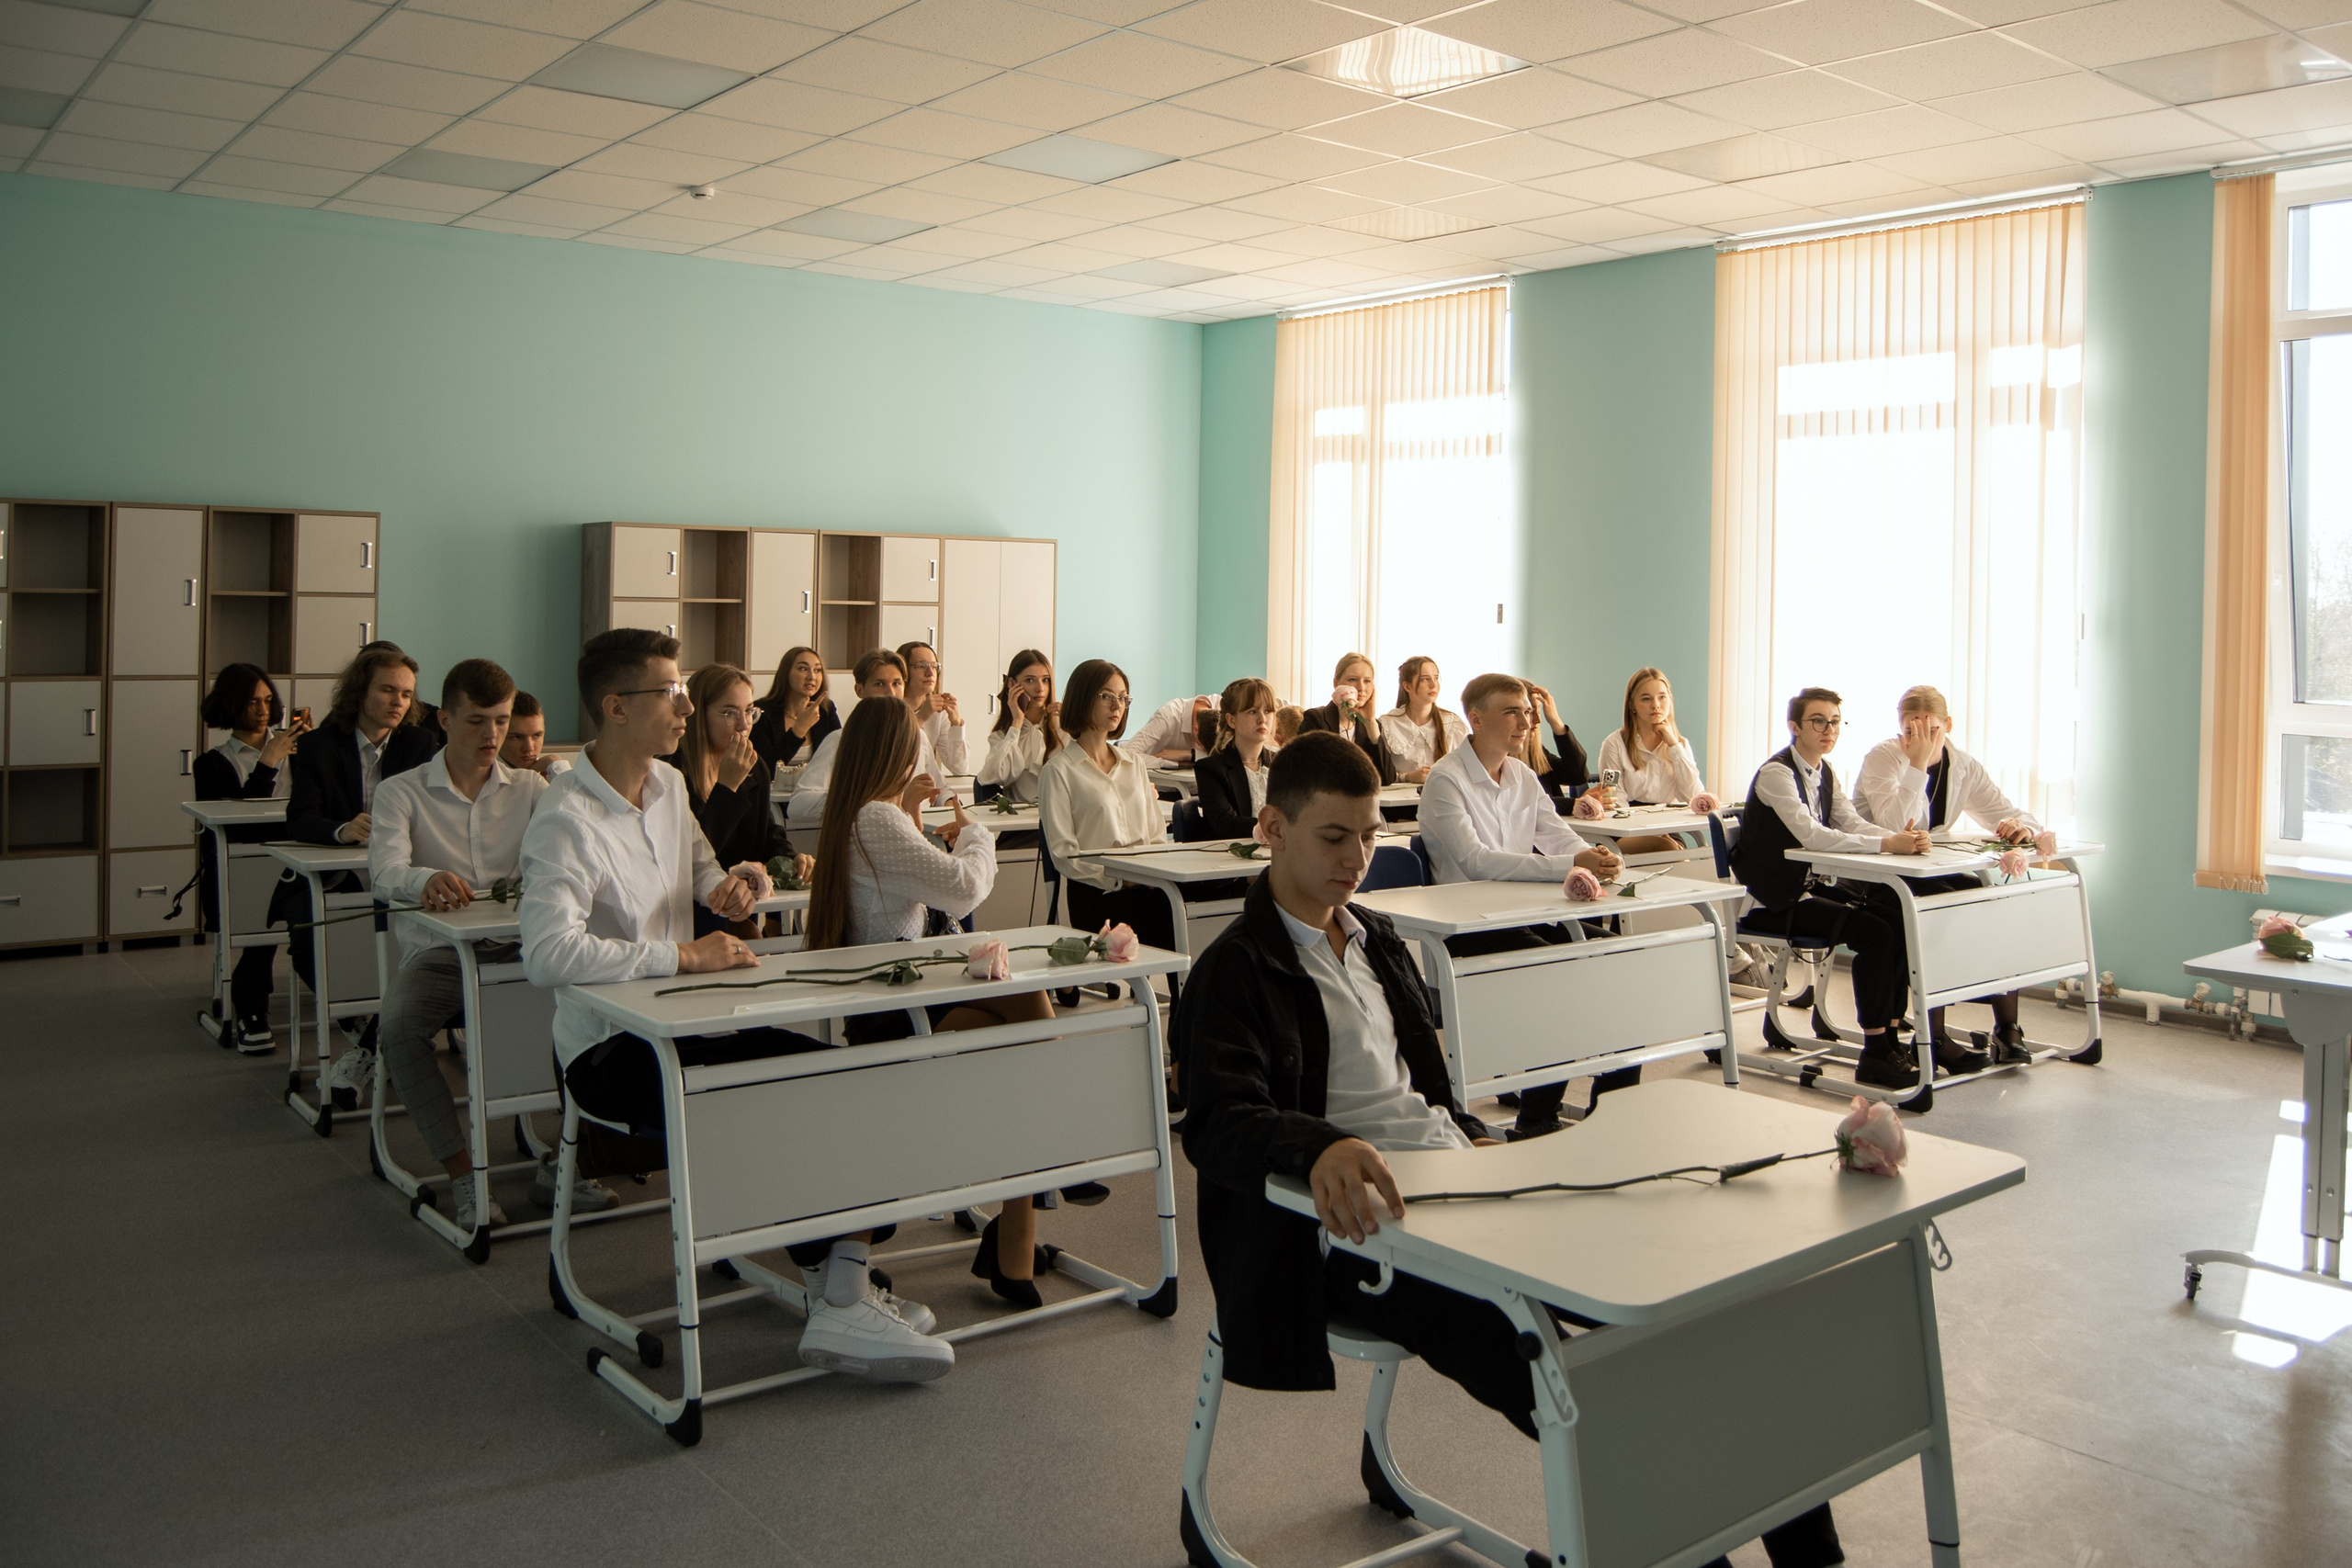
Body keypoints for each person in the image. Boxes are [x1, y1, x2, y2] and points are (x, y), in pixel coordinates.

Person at [1172, 731, 1851, 1568]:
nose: (1356, 858)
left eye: (1369, 837)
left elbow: (1433, 1098)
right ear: (1272, 828)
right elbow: (1218, 1122)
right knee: (1577, 1382)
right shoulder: (1235, 969)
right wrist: (1315, 1146)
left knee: (1693, 1314)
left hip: (1465, 1186)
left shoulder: (1377, 937)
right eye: (1333, 838)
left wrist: (1480, 1150)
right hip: (1352, 1234)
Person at [520, 627, 952, 1382]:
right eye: (671, 692)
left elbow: (704, 871)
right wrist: (680, 954)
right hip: (612, 1052)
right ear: (616, 707)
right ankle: (840, 1291)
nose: (686, 706)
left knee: (845, 1078)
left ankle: (836, 1284)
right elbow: (546, 953)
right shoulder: (566, 818)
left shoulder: (664, 789)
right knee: (800, 1094)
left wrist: (740, 880)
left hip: (687, 1020)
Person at [805, 695, 1072, 1308]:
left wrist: (915, 812)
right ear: (897, 751)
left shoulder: (869, 814)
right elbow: (962, 889)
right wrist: (977, 833)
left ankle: (1019, 1234)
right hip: (897, 1017)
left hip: (905, 1001)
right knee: (1029, 1037)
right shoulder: (875, 819)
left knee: (1024, 1038)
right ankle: (1040, 1191)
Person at [368, 658, 610, 1230]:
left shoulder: (531, 789)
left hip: (525, 948)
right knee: (399, 1028)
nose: (493, 736)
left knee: (604, 1013)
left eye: (501, 721)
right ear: (444, 720)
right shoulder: (401, 792)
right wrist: (422, 879)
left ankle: (565, 1158)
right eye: (477, 721)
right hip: (443, 954)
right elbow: (382, 872)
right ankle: (462, 1172)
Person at [1419, 674, 1627, 1139]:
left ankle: (1612, 1113)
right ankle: (1536, 1119)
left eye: (1527, 712)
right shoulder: (1445, 779)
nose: (1526, 720)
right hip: (1466, 928)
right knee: (1557, 975)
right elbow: (1476, 862)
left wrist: (1599, 858)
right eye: (1512, 711)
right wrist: (1569, 864)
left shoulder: (1522, 775)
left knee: (1620, 961)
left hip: (1524, 915)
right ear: (1475, 718)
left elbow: (1559, 837)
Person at [1731, 687, 1936, 1089]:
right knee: (1876, 934)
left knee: (1898, 920)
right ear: (1795, 727)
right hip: (1776, 901)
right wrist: (1885, 845)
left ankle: (1891, 1037)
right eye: (1818, 721)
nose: (1829, 730)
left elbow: (1850, 822)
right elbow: (1813, 836)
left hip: (1811, 889)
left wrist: (1900, 839)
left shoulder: (1825, 772)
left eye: (1835, 722)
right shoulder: (1777, 774)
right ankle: (1875, 1051)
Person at [1851, 684, 2051, 1068]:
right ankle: (1934, 1038)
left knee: (1986, 898)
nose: (1921, 739)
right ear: (1900, 729)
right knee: (1941, 910)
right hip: (1877, 873)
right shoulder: (1883, 758)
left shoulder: (1963, 765)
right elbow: (1895, 824)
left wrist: (2020, 826)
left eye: (1931, 731)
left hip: (1925, 870)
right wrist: (1917, 765)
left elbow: (2005, 811)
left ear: (1949, 726)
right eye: (1911, 731)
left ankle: (2008, 1029)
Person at [276, 643, 438, 1105]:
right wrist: (342, 829)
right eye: (388, 690)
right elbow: (299, 817)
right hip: (337, 875)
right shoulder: (318, 745)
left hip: (399, 874)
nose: (398, 702)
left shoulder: (419, 742)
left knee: (415, 953)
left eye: (406, 694)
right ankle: (367, 1024)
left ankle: (369, 1045)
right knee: (310, 943)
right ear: (359, 691)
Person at [195, 663, 311, 1052]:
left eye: (266, 700)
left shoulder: (294, 749)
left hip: (295, 856)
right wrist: (267, 762)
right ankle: (251, 1007)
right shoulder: (212, 763)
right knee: (264, 913)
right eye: (251, 701)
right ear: (231, 705)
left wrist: (310, 753)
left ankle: (347, 999)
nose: (263, 710)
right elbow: (241, 823)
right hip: (246, 864)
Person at [1038, 659, 1181, 953]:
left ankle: (1184, 996)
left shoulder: (1134, 764)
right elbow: (1065, 854)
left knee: (1190, 903)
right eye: (1107, 696)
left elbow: (1155, 836)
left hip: (1146, 884)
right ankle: (1182, 996)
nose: (1117, 706)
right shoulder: (1059, 771)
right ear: (1082, 697)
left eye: (1123, 698)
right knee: (1170, 912)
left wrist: (1153, 874)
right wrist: (1121, 879)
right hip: (1096, 894)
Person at [660, 661, 810, 937]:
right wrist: (727, 787)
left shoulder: (755, 768)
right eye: (729, 713)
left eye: (750, 712)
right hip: (681, 911)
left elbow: (766, 836)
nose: (743, 725)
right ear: (697, 715)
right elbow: (689, 858)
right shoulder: (670, 771)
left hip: (737, 904)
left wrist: (791, 858)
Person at [786, 649, 939, 849]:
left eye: (897, 684)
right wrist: (873, 799)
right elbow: (798, 806)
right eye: (879, 684)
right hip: (865, 845)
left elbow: (940, 791)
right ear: (860, 690)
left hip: (919, 837)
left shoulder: (918, 737)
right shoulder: (840, 741)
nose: (891, 693)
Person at [1595, 668, 1717, 853]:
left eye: (1662, 697)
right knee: (1668, 849)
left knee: (1673, 848)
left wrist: (1674, 746)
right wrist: (1649, 830)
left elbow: (1694, 795)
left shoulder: (1679, 744)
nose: (1656, 705)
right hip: (1622, 831)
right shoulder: (1614, 744)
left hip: (1665, 827)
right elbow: (1614, 802)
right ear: (1632, 705)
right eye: (1646, 699)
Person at [1193, 678, 1279, 840]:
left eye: (1268, 711)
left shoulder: (1284, 765)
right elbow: (1226, 824)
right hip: (1232, 857)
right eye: (1252, 711)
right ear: (1232, 720)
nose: (1262, 719)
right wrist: (1277, 828)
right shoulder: (1210, 768)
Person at [977, 648, 1062, 804]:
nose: (1040, 688)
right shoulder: (1003, 736)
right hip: (1023, 824)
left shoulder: (1062, 728)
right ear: (1012, 684)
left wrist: (1076, 729)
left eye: (1045, 680)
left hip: (1063, 820)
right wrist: (1016, 723)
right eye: (1030, 680)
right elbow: (993, 777)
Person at [1296, 652, 1396, 784]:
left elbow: (1387, 778)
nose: (1361, 688)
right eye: (1353, 680)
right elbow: (1311, 775)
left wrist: (1370, 723)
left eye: (1367, 681)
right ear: (1336, 683)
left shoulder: (1372, 726)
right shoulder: (1316, 719)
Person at [1378, 656, 1465, 784]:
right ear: (1407, 687)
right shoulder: (1388, 724)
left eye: (1436, 678)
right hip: (1398, 802)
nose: (1433, 685)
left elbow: (1466, 770)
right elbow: (1380, 773)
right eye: (1425, 679)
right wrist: (1407, 777)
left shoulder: (1453, 724)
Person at [752, 644, 838, 769]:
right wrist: (799, 729)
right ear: (786, 673)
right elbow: (764, 769)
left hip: (815, 788)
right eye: (803, 669)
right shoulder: (761, 711)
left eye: (817, 670)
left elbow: (839, 758)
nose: (812, 677)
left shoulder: (826, 710)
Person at [898, 640, 967, 776]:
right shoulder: (891, 709)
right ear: (903, 671)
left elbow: (959, 769)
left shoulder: (938, 712)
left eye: (934, 666)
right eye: (921, 666)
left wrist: (956, 724)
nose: (930, 673)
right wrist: (920, 718)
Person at [1520, 682, 1589, 812]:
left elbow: (1577, 775)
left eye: (1539, 712)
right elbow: (1529, 802)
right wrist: (1576, 803)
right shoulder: (1501, 757)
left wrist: (1556, 723)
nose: (1538, 720)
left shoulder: (1537, 752)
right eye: (1530, 712)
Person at [1124, 691, 1218, 768]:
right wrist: (1176, 764)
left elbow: (1228, 756)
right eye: (1201, 747)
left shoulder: (1221, 706)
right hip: (1164, 784)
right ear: (1196, 729)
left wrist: (1191, 754)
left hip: (1198, 784)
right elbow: (1128, 753)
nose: (1203, 751)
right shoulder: (1168, 715)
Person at [500, 691, 567, 776]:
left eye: (537, 735)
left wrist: (558, 766)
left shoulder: (550, 768)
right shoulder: (483, 776)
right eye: (517, 737)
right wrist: (531, 775)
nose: (529, 748)